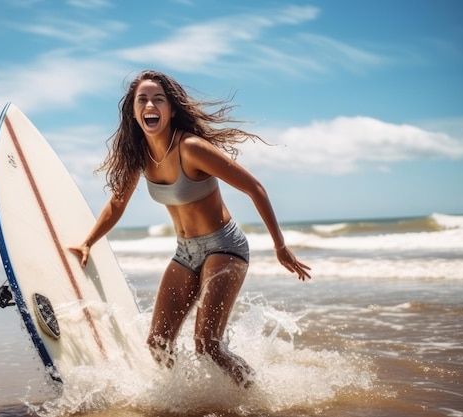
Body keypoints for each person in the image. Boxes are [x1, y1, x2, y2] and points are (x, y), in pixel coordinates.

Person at [70, 70, 311, 388]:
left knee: (207, 344)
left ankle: (257, 395)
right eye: (142, 99)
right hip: (185, 252)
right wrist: (88, 242)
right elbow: (117, 204)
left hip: (224, 246)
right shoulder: (140, 156)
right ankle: (183, 400)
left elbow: (255, 188)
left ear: (170, 109)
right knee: (157, 344)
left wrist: (279, 245)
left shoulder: (191, 147)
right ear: (134, 111)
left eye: (159, 99)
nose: (150, 104)